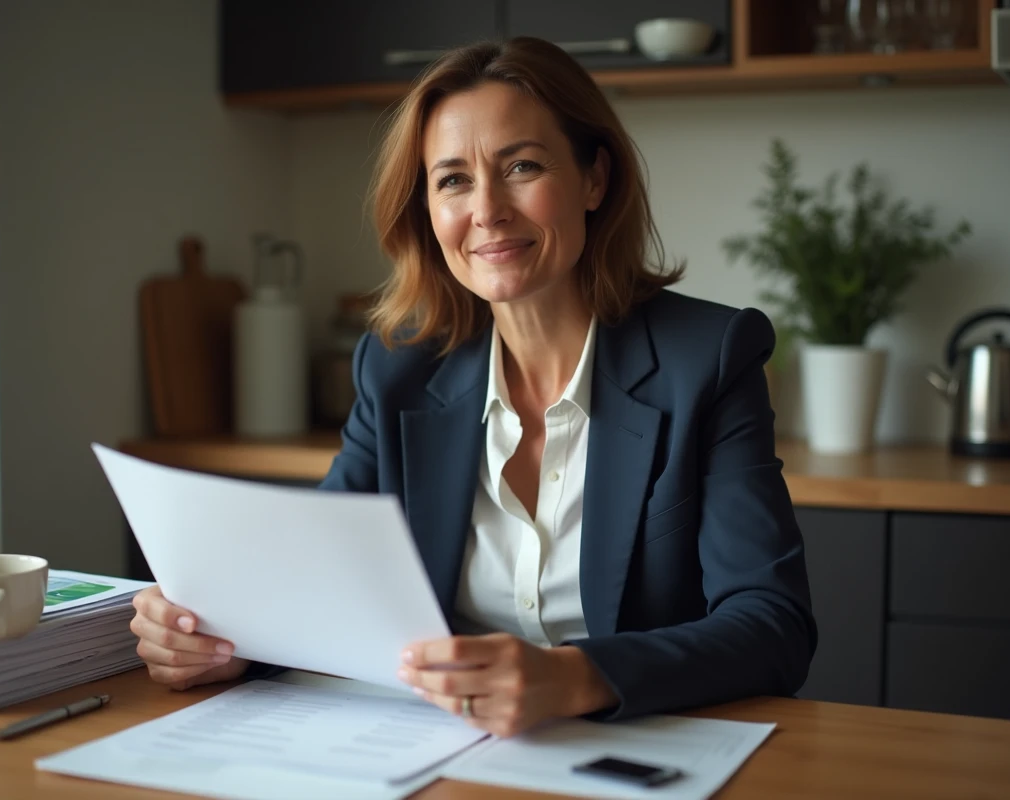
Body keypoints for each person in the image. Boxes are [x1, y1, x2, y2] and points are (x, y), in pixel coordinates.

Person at [129, 36, 816, 738]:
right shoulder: (397, 368)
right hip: (431, 753)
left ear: (594, 179)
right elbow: (322, 587)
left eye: (521, 166)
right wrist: (221, 641)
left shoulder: (708, 359)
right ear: (427, 209)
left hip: (635, 756)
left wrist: (576, 675)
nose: (487, 210)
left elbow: (771, 624)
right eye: (453, 179)